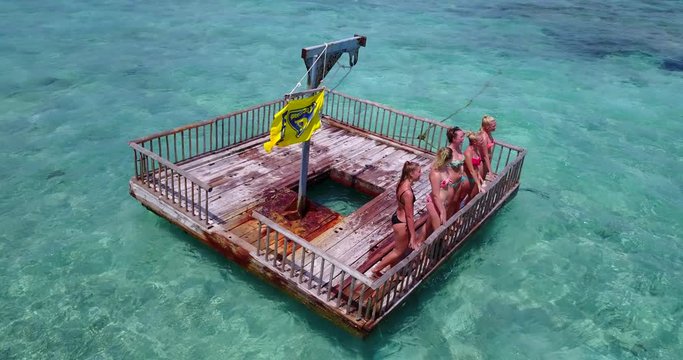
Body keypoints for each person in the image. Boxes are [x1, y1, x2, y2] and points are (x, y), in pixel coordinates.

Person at [372, 161, 422, 277]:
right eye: (419, 172)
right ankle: (376, 270)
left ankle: (392, 268)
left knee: (399, 248)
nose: (420, 174)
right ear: (411, 173)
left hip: (397, 217)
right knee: (398, 251)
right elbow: (409, 216)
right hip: (402, 223)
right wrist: (413, 238)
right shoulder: (408, 193)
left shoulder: (401, 183)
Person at [422, 147, 454, 243]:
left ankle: (421, 246)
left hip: (443, 204)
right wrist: (442, 211)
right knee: (438, 233)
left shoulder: (445, 168)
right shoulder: (435, 173)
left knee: (429, 228)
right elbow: (435, 195)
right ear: (449, 159)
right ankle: (428, 253)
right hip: (437, 205)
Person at [446, 126, 470, 216]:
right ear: (454, 138)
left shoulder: (459, 149)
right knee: (448, 205)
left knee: (455, 202)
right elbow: (436, 166)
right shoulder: (448, 152)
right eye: (461, 137)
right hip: (450, 184)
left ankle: (452, 220)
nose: (463, 139)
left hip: (459, 182)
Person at [464, 131, 485, 201]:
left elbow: (476, 166)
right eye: (481, 140)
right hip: (466, 178)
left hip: (474, 178)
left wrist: (480, 177)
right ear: (474, 142)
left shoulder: (476, 149)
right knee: (459, 198)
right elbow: (471, 170)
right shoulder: (468, 153)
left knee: (471, 196)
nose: (483, 141)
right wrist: (479, 184)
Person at [479, 115, 497, 181]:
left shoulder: (488, 133)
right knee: (479, 182)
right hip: (481, 163)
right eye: (493, 126)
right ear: (487, 126)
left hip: (486, 162)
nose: (495, 127)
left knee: (482, 180)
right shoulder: (484, 136)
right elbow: (485, 155)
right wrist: (491, 172)